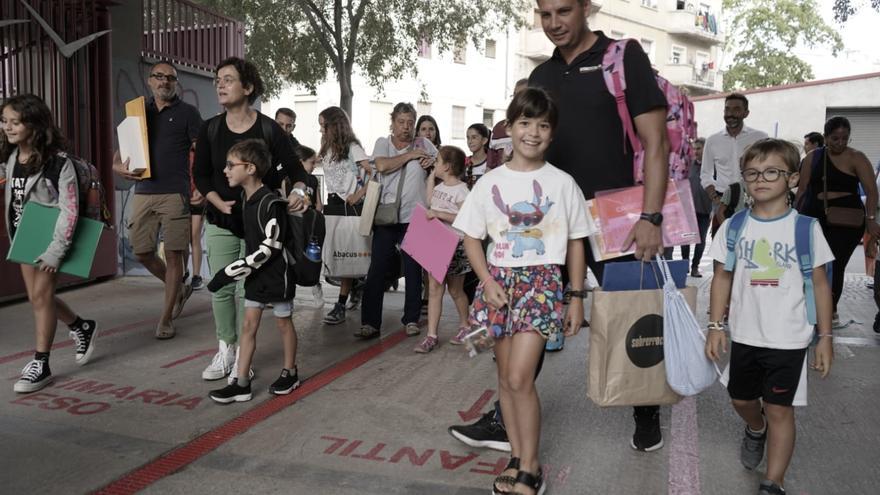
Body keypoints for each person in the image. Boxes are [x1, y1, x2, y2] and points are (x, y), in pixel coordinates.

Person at [529, 0, 670, 453]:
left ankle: (646, 409)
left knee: (635, 313)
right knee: (529, 315)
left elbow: (656, 144)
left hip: (617, 217)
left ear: (587, 7)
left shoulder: (623, 57)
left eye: (563, 11)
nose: (554, 23)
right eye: (544, 14)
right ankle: (506, 406)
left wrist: (650, 217)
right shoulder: (541, 77)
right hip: (555, 220)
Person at [454, 88, 588, 495]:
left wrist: (576, 297)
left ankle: (531, 466)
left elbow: (577, 242)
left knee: (519, 376)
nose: (533, 132)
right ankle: (516, 455)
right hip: (497, 286)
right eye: (525, 123)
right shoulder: (488, 183)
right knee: (505, 378)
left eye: (543, 125)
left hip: (542, 284)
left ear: (552, 133)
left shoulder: (562, 184)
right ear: (508, 128)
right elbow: (471, 239)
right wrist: (488, 282)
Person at [706, 139, 834, 495]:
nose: (761, 179)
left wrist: (825, 338)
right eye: (752, 173)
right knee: (740, 400)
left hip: (789, 337)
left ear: (792, 178)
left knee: (780, 409)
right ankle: (755, 427)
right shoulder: (734, 226)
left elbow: (821, 286)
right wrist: (716, 326)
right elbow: (722, 276)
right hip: (746, 334)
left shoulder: (806, 228)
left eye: (772, 172)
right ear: (744, 179)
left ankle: (773, 481)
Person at [194, 57, 308, 383]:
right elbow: (200, 174)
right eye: (218, 79)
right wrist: (218, 202)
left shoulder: (269, 128)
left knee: (249, 288)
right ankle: (225, 348)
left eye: (228, 79)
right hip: (221, 219)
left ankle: (244, 358)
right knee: (220, 286)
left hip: (260, 224)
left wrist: (300, 191)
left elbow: (296, 170)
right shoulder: (210, 128)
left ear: (248, 87)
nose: (220, 84)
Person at [1, 94, 97, 393]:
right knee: (37, 298)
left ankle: (41, 364)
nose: (8, 127)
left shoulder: (58, 163)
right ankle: (81, 326)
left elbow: (70, 210)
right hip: (22, 237)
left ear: (34, 124)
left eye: (15, 122)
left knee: (41, 297)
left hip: (49, 240)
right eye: (4, 121)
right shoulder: (12, 157)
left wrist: (56, 251)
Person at [112, 60, 202, 339]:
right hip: (144, 193)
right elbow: (119, 155)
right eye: (159, 77)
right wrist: (119, 168)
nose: (164, 81)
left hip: (175, 193)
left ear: (176, 83)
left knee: (174, 254)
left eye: (170, 78)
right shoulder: (137, 114)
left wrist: (199, 184)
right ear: (150, 81)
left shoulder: (188, 113)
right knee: (142, 252)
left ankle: (165, 319)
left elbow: (201, 152)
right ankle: (179, 288)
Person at [207, 139, 301, 403]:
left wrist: (228, 272)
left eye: (230, 165)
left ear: (249, 168)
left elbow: (269, 248)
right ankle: (241, 382)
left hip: (277, 274)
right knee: (248, 325)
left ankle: (290, 372)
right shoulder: (244, 198)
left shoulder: (270, 202)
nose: (225, 170)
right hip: (256, 275)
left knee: (283, 322)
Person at [795, 116, 880, 325]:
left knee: (835, 264)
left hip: (847, 223)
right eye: (835, 138)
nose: (840, 143)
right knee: (810, 264)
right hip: (813, 217)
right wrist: (793, 217)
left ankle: (830, 310)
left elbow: (872, 192)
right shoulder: (812, 158)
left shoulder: (857, 158)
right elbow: (802, 189)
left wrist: (871, 219)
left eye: (845, 138)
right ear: (825, 137)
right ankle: (807, 306)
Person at [358, 102, 430, 339]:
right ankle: (370, 322)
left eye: (410, 122)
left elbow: (444, 167)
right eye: (401, 122)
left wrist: (434, 164)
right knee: (378, 268)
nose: (406, 127)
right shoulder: (383, 143)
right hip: (386, 216)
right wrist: (410, 155)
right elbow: (381, 165)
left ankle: (411, 319)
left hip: (416, 217)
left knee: (413, 271)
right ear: (393, 123)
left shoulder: (424, 144)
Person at [317, 106, 373, 325]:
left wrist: (358, 194)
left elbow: (372, 174)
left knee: (345, 254)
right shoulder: (328, 148)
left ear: (335, 124)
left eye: (324, 124)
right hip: (333, 204)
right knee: (334, 254)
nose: (321, 129)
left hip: (351, 207)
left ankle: (340, 303)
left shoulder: (353, 148)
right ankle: (355, 286)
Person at [414, 145, 471, 353]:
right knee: (435, 289)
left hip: (456, 245)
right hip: (437, 244)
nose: (434, 164)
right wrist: (430, 179)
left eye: (437, 162)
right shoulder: (439, 188)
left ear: (446, 166)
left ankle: (466, 326)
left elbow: (464, 218)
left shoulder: (462, 190)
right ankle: (431, 336)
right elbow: (430, 202)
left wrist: (439, 214)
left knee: (456, 290)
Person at [700, 93, 768, 234]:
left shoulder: (760, 138)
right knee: (721, 246)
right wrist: (716, 199)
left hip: (753, 200)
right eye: (727, 109)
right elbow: (705, 174)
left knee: (753, 242)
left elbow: (768, 168)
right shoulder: (713, 140)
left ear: (746, 113)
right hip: (722, 201)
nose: (731, 114)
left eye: (736, 109)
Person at [294, 145, 325, 307]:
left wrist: (317, 215)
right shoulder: (293, 180)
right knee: (295, 256)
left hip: (311, 222)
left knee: (313, 254)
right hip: (298, 223)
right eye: (311, 163)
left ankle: (315, 283)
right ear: (300, 162)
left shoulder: (313, 180)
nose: (314, 166)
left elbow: (318, 203)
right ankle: (289, 289)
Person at [682, 138, 712, 277]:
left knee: (700, 240)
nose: (695, 151)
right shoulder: (688, 166)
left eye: (698, 148)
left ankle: (695, 266)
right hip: (689, 210)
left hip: (705, 210)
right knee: (686, 239)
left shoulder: (712, 167)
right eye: (694, 149)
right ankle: (684, 265)